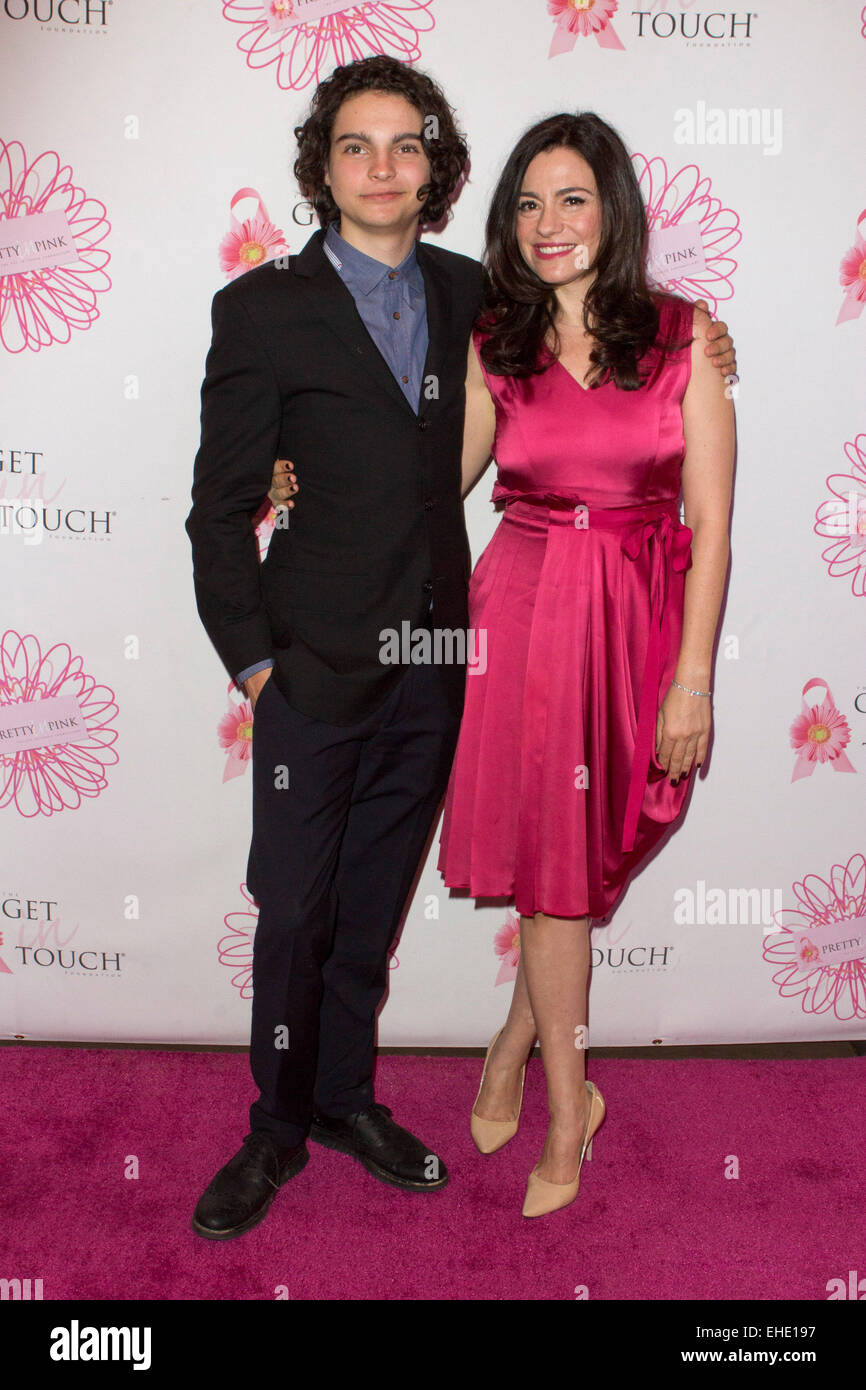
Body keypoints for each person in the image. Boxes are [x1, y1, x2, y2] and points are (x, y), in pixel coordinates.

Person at [270, 108, 736, 1221]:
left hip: (630, 632)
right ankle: (569, 1107)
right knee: (552, 884)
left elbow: (712, 529)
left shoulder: (685, 337)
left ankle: (509, 1041)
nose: (547, 223)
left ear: (612, 209)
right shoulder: (497, 346)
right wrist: (297, 477)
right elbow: (427, 480)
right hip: (519, 629)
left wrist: (690, 680)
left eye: (571, 198)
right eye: (526, 202)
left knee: (583, 865)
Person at [185, 56, 484, 1239]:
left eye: (403, 145)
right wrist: (259, 667)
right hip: (310, 667)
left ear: (432, 169)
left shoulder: (469, 292)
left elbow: (586, 323)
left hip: (429, 663)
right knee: (294, 912)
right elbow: (218, 508)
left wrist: (699, 338)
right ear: (322, 167)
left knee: (369, 909)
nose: (379, 165)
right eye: (354, 145)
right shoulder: (260, 308)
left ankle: (346, 1100)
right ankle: (272, 1129)